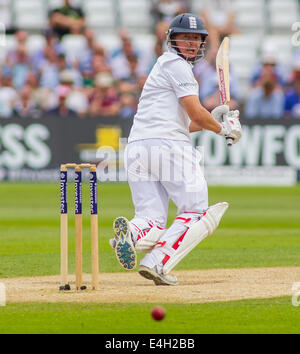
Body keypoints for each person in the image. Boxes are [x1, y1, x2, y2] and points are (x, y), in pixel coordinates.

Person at [109, 13, 242, 285]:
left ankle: (131, 234)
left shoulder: (162, 66)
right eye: (186, 37)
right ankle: (157, 263)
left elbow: (188, 122)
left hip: (138, 147)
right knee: (195, 211)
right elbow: (195, 112)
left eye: (196, 38)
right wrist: (224, 129)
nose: (192, 43)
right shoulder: (178, 66)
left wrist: (212, 119)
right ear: (173, 39)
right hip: (169, 147)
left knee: (152, 218)